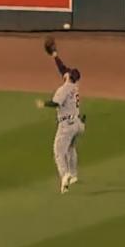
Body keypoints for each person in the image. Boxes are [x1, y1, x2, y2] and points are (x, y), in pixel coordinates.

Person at [36, 38, 84, 193]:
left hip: (66, 125)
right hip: (77, 124)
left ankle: (65, 176)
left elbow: (56, 103)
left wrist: (43, 104)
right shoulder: (74, 86)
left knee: (58, 152)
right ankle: (74, 175)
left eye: (68, 73)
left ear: (69, 77)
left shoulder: (63, 90)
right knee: (71, 148)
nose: (65, 73)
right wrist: (55, 55)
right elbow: (62, 69)